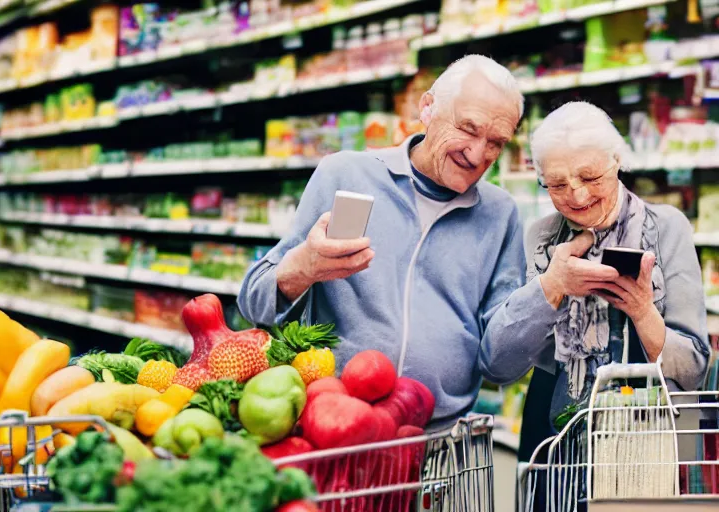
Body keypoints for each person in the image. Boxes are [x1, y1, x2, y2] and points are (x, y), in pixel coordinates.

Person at [237, 54, 561, 428]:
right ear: (427, 108)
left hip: (440, 442)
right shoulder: (345, 174)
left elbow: (498, 363)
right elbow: (254, 302)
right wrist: (302, 268)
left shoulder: (499, 213)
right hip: (335, 425)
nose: (477, 154)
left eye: (495, 143)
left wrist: (550, 289)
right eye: (468, 129)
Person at [515, 101, 710, 462]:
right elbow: (504, 361)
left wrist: (641, 309)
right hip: (554, 433)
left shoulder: (667, 228)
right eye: (557, 184)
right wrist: (551, 287)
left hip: (643, 437)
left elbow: (694, 370)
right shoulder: (540, 237)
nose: (577, 196)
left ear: (617, 160)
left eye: (590, 178)